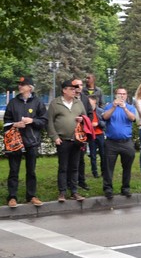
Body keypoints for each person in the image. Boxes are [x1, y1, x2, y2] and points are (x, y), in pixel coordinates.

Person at [3, 76, 48, 208]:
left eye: (23, 85)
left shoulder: (38, 102)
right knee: (13, 170)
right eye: (19, 85)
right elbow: (6, 122)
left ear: (30, 87)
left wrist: (32, 121)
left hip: (31, 141)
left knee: (31, 170)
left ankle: (31, 196)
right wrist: (15, 124)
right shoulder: (13, 103)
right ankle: (12, 197)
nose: (20, 87)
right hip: (15, 141)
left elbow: (44, 121)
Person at [47, 80, 87, 202]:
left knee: (75, 167)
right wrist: (55, 137)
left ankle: (74, 191)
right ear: (64, 90)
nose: (74, 90)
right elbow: (49, 122)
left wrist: (82, 119)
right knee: (63, 167)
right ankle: (62, 192)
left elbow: (86, 119)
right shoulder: (55, 103)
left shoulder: (78, 103)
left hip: (77, 140)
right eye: (71, 88)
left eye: (75, 89)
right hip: (62, 140)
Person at [102, 87, 137, 199]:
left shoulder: (130, 107)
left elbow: (133, 119)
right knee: (108, 167)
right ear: (115, 95)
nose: (122, 96)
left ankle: (125, 188)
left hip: (126, 142)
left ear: (126, 96)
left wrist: (124, 108)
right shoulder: (109, 106)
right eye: (119, 94)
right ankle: (108, 189)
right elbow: (105, 117)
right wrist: (114, 106)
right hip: (111, 142)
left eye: (124, 94)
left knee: (127, 167)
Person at [72, 78, 91, 191]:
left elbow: (89, 113)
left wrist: (85, 121)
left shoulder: (85, 98)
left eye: (81, 85)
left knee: (81, 159)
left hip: (81, 133)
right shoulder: (68, 98)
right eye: (76, 85)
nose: (79, 87)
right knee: (70, 159)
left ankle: (82, 181)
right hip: (70, 132)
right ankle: (70, 182)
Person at [87, 95, 106, 178]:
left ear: (94, 101)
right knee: (93, 155)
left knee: (103, 154)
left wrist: (98, 124)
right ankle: (95, 172)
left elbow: (105, 123)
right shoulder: (87, 112)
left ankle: (104, 171)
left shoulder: (101, 111)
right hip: (91, 135)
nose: (88, 103)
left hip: (100, 135)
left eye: (89, 101)